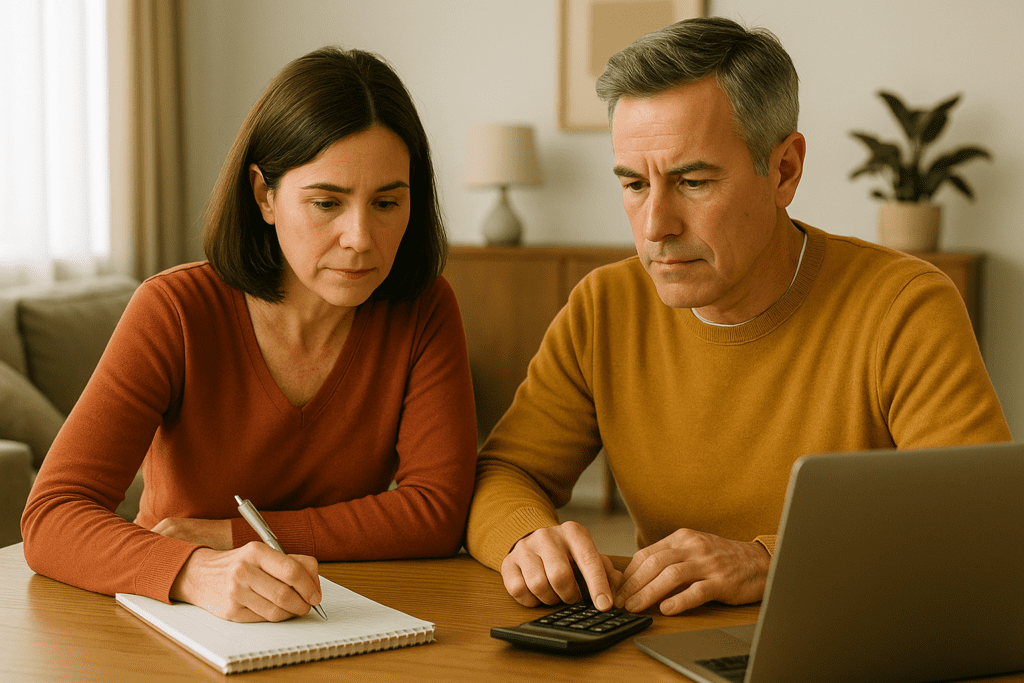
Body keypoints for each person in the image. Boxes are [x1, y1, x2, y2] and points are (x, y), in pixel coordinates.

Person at [466, 17, 1011, 618]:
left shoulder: (905, 306)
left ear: (785, 171)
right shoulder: (604, 307)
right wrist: (525, 536)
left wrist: (768, 560)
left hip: (853, 635)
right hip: (663, 647)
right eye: (633, 184)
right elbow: (507, 473)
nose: (655, 227)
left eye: (693, 181)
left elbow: (979, 526)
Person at [22, 47, 478, 623]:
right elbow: (52, 516)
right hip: (179, 616)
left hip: (344, 615)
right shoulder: (175, 311)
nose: (361, 237)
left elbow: (436, 512)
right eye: (326, 202)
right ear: (264, 195)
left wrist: (230, 534)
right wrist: (194, 568)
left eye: (387, 202)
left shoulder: (424, 309)